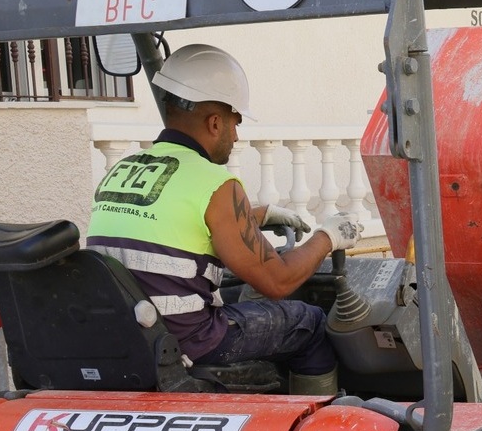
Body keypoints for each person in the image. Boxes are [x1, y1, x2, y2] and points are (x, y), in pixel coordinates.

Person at [88, 43, 363, 395]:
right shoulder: (218, 184)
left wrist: (255, 217)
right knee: (307, 322)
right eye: (235, 123)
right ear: (215, 122)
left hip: (129, 337)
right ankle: (313, 430)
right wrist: (328, 236)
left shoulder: (123, 170)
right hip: (188, 342)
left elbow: (173, 225)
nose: (235, 136)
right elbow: (277, 283)